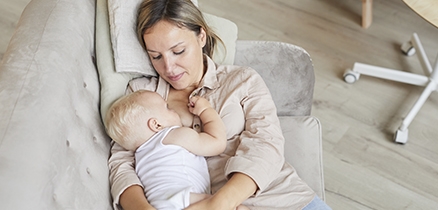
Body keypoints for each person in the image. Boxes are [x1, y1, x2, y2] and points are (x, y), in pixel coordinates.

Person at [108, 0, 332, 209]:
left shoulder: (242, 80)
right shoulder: (141, 95)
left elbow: (266, 144)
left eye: (178, 51)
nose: (169, 67)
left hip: (277, 198)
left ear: (201, 37)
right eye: (156, 56)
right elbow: (121, 162)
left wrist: (217, 205)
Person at [105, 90, 248, 209]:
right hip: (182, 198)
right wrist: (206, 111)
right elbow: (217, 143)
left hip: (158, 204)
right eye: (167, 107)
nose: (173, 109)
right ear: (156, 124)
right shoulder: (173, 135)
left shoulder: (140, 156)